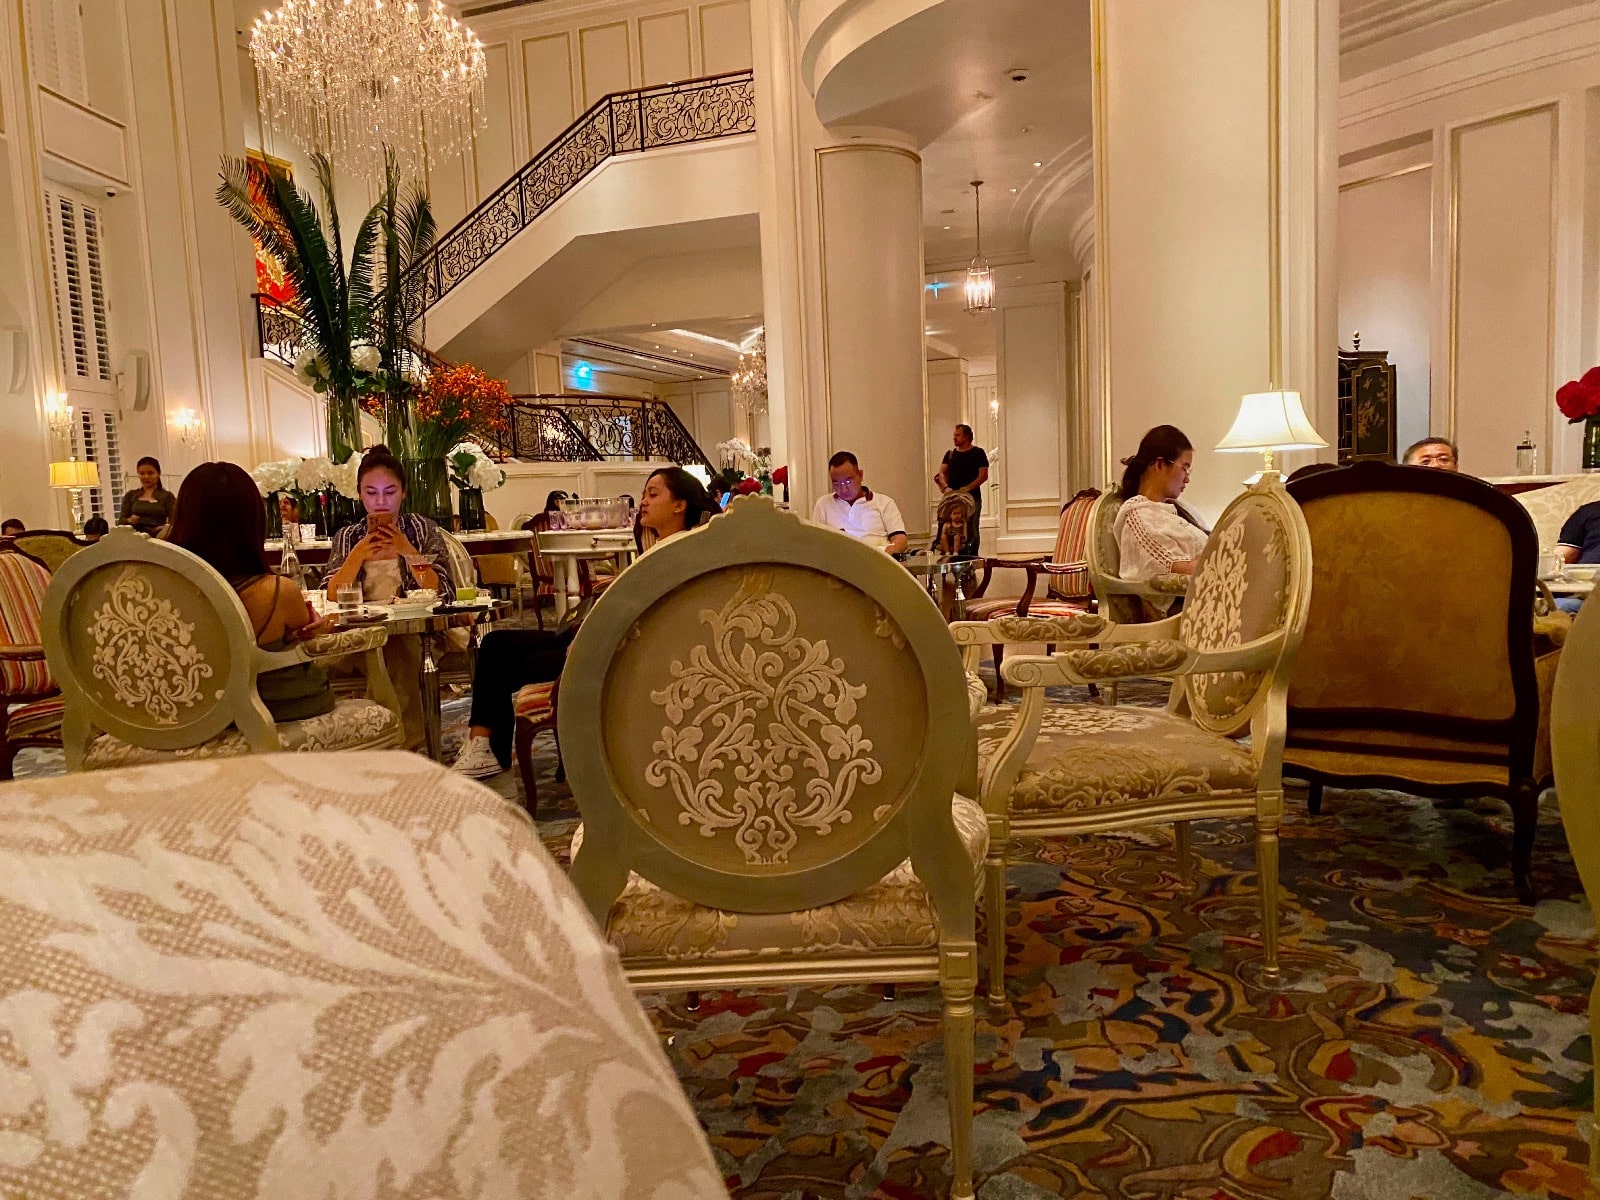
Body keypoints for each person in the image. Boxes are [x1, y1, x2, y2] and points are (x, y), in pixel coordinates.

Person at [452, 467, 721, 779]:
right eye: (644, 493)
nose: (643, 501)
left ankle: (488, 751)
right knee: (495, 643)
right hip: (588, 632)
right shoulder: (658, 544)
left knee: (506, 665)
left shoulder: (679, 551)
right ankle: (484, 747)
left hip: (610, 649)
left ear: (680, 505)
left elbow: (649, 616)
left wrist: (589, 636)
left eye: (654, 494)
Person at [168, 461, 335, 721]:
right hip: (270, 712)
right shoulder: (276, 592)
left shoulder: (163, 589)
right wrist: (320, 627)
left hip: (187, 712)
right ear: (253, 520)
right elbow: (309, 642)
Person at [322, 446, 455, 750]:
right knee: (375, 646)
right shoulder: (348, 537)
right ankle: (382, 740)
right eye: (371, 493)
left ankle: (396, 744)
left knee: (395, 648)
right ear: (359, 495)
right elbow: (331, 592)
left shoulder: (422, 529)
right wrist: (358, 555)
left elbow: (440, 590)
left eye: (389, 491)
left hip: (415, 631)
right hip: (359, 632)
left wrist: (407, 550)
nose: (381, 502)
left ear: (403, 493)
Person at [1113, 425, 1210, 613]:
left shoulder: (1176, 510)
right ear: (1159, 465)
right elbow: (1175, 569)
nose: (1187, 479)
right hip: (1187, 609)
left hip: (1205, 594)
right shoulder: (1138, 515)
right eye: (1185, 468)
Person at [810, 451, 908, 555]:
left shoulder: (884, 502)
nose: (843, 489)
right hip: (839, 564)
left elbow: (900, 540)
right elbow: (816, 544)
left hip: (877, 561)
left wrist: (887, 555)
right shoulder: (823, 504)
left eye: (848, 482)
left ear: (860, 475)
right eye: (836, 483)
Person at [933, 424, 989, 555]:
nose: (954, 438)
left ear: (967, 436)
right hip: (952, 497)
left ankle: (972, 557)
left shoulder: (978, 453)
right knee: (946, 527)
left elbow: (983, 475)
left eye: (957, 435)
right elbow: (941, 473)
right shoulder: (951, 454)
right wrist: (945, 487)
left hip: (972, 497)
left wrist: (968, 488)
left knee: (972, 528)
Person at [1553, 500, 1600, 613]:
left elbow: (1561, 558)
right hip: (1590, 594)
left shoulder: (1589, 512)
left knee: (1556, 606)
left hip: (1590, 596)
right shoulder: (1589, 512)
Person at [118, 456, 177, 534]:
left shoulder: (167, 496)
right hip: (134, 536)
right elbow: (120, 522)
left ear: (158, 474)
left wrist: (164, 528)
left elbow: (175, 521)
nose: (146, 477)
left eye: (150, 473)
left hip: (159, 537)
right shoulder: (131, 495)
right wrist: (130, 520)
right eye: (142, 473)